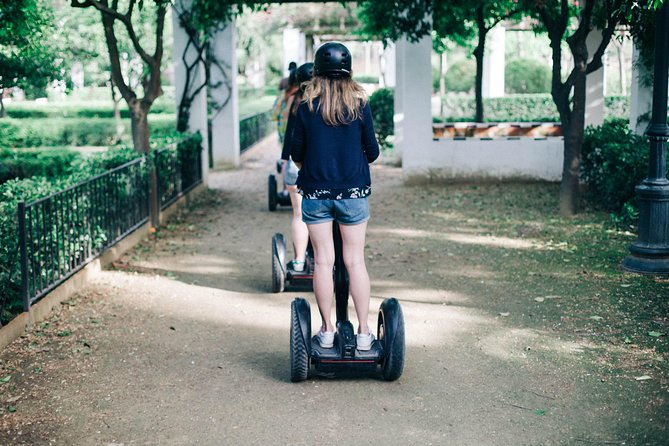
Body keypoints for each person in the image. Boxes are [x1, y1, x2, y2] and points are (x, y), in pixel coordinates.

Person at [290, 42, 380, 351]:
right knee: (355, 261)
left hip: (315, 192)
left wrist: (316, 166)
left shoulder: (305, 106)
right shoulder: (360, 105)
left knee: (324, 261)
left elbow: (296, 153)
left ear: (316, 71)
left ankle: (327, 330)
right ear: (349, 71)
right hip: (353, 193)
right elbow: (373, 152)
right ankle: (365, 333)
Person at [280, 62, 314, 273]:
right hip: (318, 169)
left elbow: (290, 138)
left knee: (299, 214)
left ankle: (300, 260)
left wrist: (285, 161)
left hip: (295, 165)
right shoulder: (322, 104)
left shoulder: (295, 104)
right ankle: (325, 261)